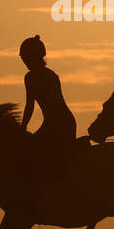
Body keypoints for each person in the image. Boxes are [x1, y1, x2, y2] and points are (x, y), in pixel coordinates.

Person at [19, 35, 77, 170]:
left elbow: (30, 106)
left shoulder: (37, 77)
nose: (24, 62)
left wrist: (23, 128)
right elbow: (31, 106)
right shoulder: (41, 75)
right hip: (56, 122)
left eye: (25, 58)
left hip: (60, 124)